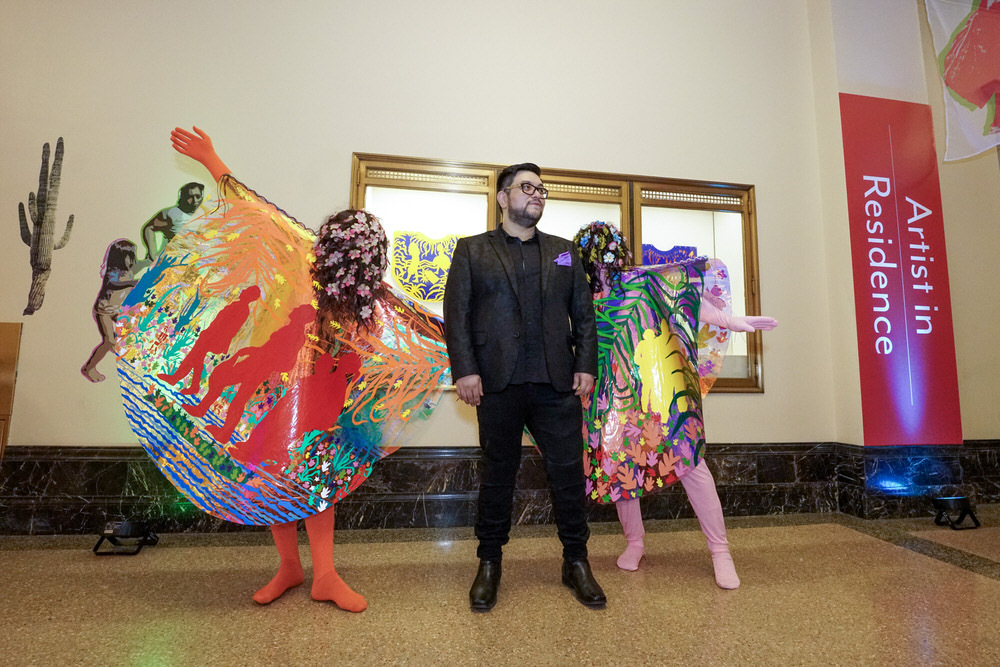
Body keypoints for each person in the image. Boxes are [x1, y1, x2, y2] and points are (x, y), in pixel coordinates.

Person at [167, 127, 447, 611]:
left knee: (320, 482)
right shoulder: (301, 259)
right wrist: (213, 160)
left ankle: (325, 574)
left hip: (330, 404)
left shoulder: (372, 299)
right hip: (279, 393)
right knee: (274, 476)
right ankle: (290, 568)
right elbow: (253, 209)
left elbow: (427, 326)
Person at [573, 221, 777, 589]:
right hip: (608, 400)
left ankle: (720, 551)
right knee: (620, 472)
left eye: (611, 254)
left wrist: (731, 320)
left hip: (658, 392)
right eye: (599, 257)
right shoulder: (577, 296)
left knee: (691, 464)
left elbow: (683, 299)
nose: (606, 264)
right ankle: (635, 542)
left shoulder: (642, 281)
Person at [443, 163, 604, 612]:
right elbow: (456, 316)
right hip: (497, 383)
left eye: (542, 189)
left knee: (569, 477)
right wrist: (465, 370)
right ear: (502, 197)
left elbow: (584, 316)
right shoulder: (473, 250)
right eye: (527, 187)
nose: (537, 195)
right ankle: (489, 563)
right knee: (497, 476)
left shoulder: (564, 252)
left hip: (557, 383)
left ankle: (576, 562)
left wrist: (586, 365)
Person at [81, 239, 139, 382]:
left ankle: (118, 348)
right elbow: (112, 283)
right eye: (129, 256)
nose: (132, 260)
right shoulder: (112, 272)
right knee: (108, 340)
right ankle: (88, 368)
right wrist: (131, 282)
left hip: (116, 310)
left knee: (134, 328)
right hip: (104, 311)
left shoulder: (129, 271)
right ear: (119, 257)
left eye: (133, 256)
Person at [140, 181, 205, 261]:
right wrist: (153, 255)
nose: (194, 200)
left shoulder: (204, 214)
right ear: (183, 197)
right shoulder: (171, 213)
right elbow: (148, 228)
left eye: (197, 196)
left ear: (202, 197)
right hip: (169, 261)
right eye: (190, 197)